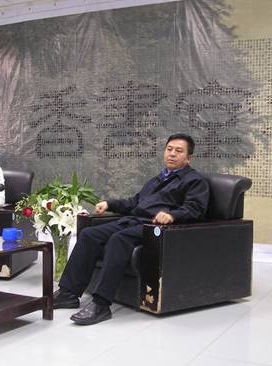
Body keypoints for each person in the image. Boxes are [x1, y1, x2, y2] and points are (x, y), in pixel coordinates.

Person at [53, 133, 210, 325]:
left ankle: (101, 304)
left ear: (188, 158)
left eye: (179, 151)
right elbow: (134, 202)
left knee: (119, 239)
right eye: (169, 149)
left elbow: (195, 209)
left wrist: (172, 215)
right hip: (133, 220)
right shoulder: (157, 179)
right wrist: (109, 204)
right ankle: (68, 293)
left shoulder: (195, 181)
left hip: (155, 228)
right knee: (89, 234)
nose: (172, 154)